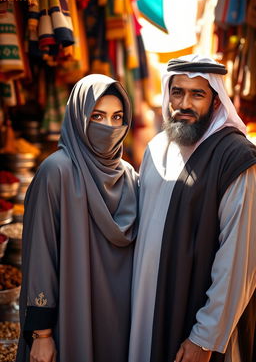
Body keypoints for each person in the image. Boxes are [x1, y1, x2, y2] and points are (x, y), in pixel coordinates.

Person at [129, 54, 256, 362]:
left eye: (197, 94)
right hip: (144, 311)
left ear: (215, 101)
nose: (184, 103)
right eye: (177, 92)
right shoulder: (156, 149)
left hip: (195, 322)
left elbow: (239, 259)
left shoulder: (236, 158)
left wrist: (205, 336)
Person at [16, 74, 138, 362]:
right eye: (97, 115)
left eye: (117, 116)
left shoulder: (130, 176)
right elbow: (40, 254)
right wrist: (42, 334)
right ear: (79, 116)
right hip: (70, 318)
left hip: (120, 322)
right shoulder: (57, 172)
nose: (109, 126)